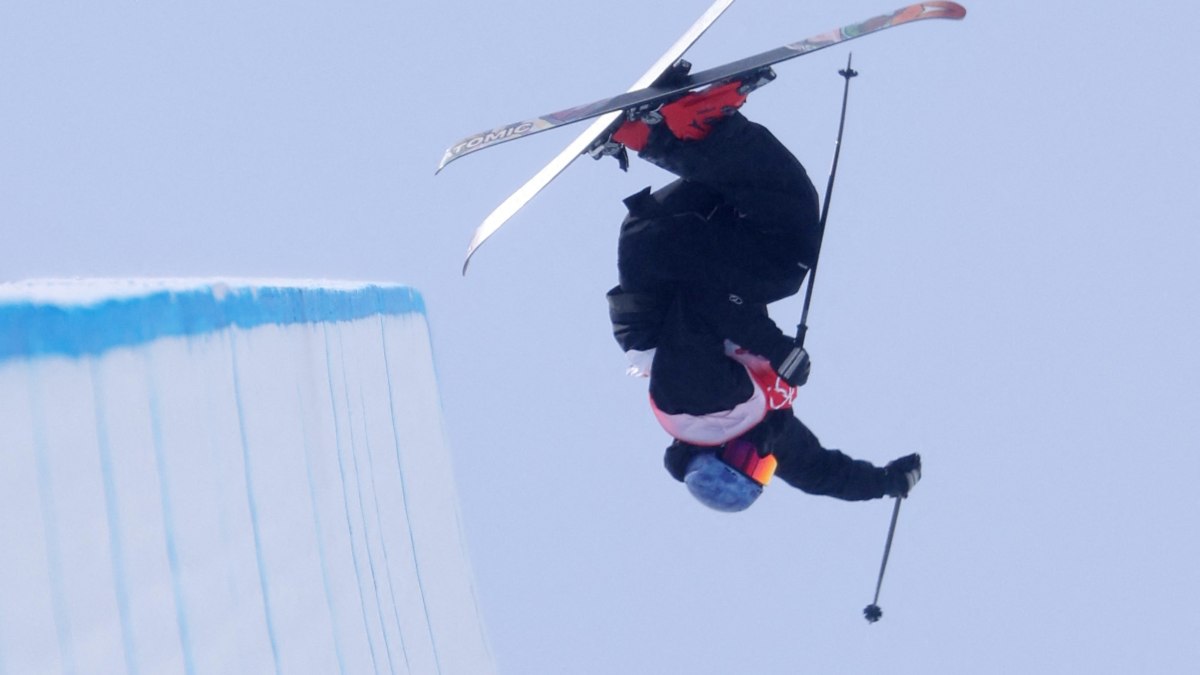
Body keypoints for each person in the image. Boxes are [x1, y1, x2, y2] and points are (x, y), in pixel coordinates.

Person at [606, 81, 921, 512]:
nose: (756, 454)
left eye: (741, 460)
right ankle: (652, 131)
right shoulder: (751, 426)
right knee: (764, 210)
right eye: (761, 469)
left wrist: (774, 348)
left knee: (788, 254)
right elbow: (816, 470)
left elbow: (704, 304)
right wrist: (885, 482)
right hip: (685, 241)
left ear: (712, 450)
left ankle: (693, 123)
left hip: (672, 250)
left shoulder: (699, 403)